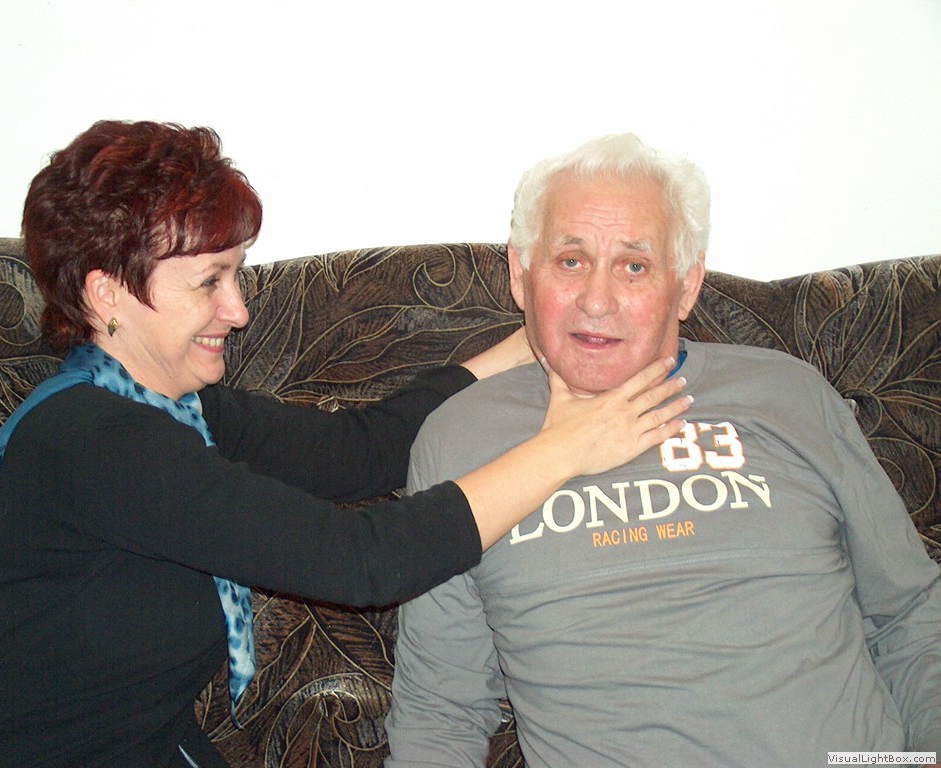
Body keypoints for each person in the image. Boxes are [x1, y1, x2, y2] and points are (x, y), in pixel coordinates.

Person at [0, 122, 693, 768]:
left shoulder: (185, 412)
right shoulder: (91, 442)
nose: (239, 309)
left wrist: (538, 336)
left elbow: (363, 448)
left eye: (237, 276)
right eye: (209, 282)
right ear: (107, 293)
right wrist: (564, 448)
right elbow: (361, 560)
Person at [384, 133, 941, 766]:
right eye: (570, 260)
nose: (597, 300)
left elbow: (912, 615)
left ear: (687, 285)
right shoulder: (460, 439)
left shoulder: (790, 396)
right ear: (521, 273)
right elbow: (441, 711)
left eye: (634, 266)